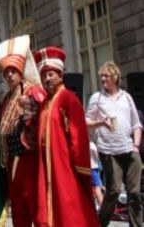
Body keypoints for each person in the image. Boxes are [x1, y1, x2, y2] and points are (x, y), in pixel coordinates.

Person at [25, 46, 99, 227]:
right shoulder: (45, 104)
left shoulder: (69, 100)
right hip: (48, 167)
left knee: (70, 213)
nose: (47, 79)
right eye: (44, 75)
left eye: (51, 74)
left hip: (66, 169)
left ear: (60, 74)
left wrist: (80, 169)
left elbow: (79, 137)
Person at [86, 61, 143, 226]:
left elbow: (136, 124)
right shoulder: (97, 98)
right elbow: (85, 122)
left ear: (115, 77)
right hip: (109, 152)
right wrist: (101, 123)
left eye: (106, 75)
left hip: (130, 150)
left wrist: (136, 146)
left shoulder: (126, 97)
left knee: (134, 193)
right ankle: (99, 223)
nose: (102, 78)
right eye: (101, 75)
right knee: (114, 191)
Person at [0, 35, 44, 227]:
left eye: (13, 71)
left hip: (29, 161)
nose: (9, 75)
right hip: (11, 161)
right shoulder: (7, 98)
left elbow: (42, 117)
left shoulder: (32, 91)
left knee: (34, 207)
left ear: (21, 70)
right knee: (18, 212)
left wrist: (30, 115)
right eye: (6, 72)